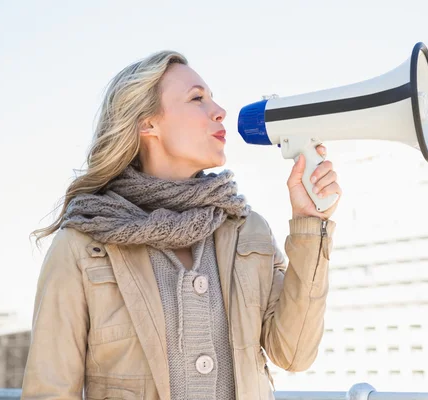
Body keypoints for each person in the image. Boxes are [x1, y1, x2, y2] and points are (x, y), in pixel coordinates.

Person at [21, 50, 341, 400]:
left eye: (212, 98)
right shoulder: (82, 246)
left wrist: (311, 223)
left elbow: (294, 353)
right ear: (147, 124)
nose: (219, 111)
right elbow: (48, 392)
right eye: (197, 98)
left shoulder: (248, 231)